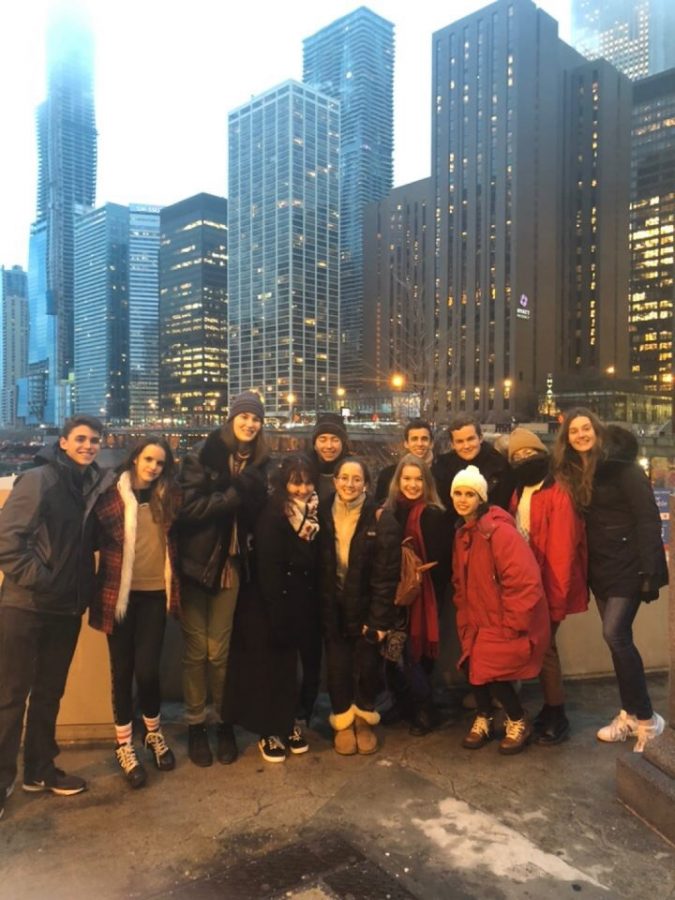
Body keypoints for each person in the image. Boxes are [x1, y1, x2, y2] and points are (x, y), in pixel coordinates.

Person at [0, 415, 112, 820]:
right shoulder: (40, 479)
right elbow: (8, 541)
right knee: (10, 697)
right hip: (26, 606)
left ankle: (39, 770)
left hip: (65, 607)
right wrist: (43, 581)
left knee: (49, 693)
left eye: (94, 440)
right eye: (80, 439)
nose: (88, 445)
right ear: (63, 442)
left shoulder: (92, 486)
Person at [551, 409, 667, 752]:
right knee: (618, 639)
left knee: (614, 634)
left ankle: (648, 719)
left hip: (629, 566)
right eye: (574, 431)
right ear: (567, 439)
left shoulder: (623, 467)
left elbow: (648, 518)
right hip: (600, 568)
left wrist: (651, 571)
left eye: (586, 428)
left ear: (597, 430)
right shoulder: (573, 473)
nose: (582, 435)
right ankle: (629, 714)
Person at [176, 391, 269, 767]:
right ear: (231, 418)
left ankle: (223, 721)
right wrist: (234, 494)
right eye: (244, 416)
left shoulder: (262, 462)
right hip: (197, 565)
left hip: (232, 565)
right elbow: (188, 509)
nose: (250, 424)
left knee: (221, 652)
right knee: (196, 651)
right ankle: (196, 724)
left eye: (256, 419)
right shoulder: (203, 454)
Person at [90, 436, 181, 788]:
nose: (153, 467)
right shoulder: (111, 496)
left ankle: (153, 734)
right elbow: (90, 536)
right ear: (134, 459)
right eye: (148, 460)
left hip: (155, 595)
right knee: (121, 671)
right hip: (119, 596)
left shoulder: (170, 498)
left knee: (147, 671)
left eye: (160, 463)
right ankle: (124, 744)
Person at [222, 454, 320, 763]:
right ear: (283, 484)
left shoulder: (313, 513)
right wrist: (278, 613)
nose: (302, 489)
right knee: (269, 668)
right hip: (269, 602)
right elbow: (269, 566)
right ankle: (268, 730)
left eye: (307, 482)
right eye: (296, 482)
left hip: (300, 600)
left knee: (292, 667)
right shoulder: (274, 513)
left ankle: (288, 721)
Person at [451, 465, 550, 755]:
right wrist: (462, 608)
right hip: (475, 616)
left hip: (500, 619)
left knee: (496, 676)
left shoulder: (499, 532)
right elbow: (460, 578)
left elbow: (524, 581)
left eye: (469, 494)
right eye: (457, 493)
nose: (462, 499)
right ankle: (484, 716)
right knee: (474, 669)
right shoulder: (464, 532)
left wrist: (514, 623)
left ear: (481, 498)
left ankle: (518, 720)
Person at [508, 428, 589, 745]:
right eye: (517, 457)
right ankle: (551, 709)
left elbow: (562, 552)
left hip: (550, 586)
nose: (524, 460)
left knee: (546, 649)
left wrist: (554, 599)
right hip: (528, 586)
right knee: (542, 650)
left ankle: (558, 713)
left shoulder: (558, 492)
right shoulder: (520, 490)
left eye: (529, 453)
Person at [319, 457, 399, 754]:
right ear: (334, 481)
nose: (349, 484)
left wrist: (379, 620)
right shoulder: (321, 512)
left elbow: (387, 574)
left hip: (366, 607)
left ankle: (364, 719)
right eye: (344, 478)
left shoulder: (380, 518)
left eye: (356, 479)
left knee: (367, 666)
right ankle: (342, 721)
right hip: (332, 605)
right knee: (337, 668)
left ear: (366, 483)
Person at [379, 454, 450, 736]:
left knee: (413, 655)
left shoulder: (433, 514)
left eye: (418, 479)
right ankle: (403, 702)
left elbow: (442, 560)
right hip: (391, 593)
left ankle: (424, 708)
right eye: (406, 478)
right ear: (398, 480)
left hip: (422, 596)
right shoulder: (389, 510)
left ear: (427, 482)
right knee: (390, 653)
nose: (411, 484)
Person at [433, 414, 514, 523]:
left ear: (480, 438)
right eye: (460, 441)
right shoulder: (442, 467)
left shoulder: (500, 465)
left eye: (470, 439)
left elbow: (505, 506)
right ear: (452, 444)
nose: (466, 446)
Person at [374, 418, 436, 503]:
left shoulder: (443, 475)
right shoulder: (387, 475)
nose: (419, 444)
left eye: (424, 439)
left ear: (431, 443)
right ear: (406, 444)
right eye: (414, 439)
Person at [310, 412, 350, 503]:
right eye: (322, 440)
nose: (329, 446)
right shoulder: (303, 470)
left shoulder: (354, 470)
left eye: (335, 440)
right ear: (314, 444)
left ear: (343, 444)